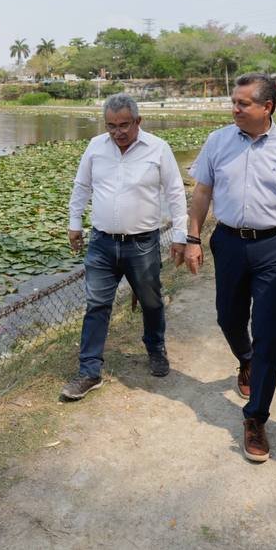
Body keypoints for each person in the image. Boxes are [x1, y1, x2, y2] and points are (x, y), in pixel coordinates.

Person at [184, 73, 276, 462]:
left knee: (269, 333)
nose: (235, 109)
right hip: (228, 242)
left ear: (268, 107)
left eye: (243, 104)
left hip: (275, 246)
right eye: (234, 102)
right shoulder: (218, 141)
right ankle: (246, 360)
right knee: (227, 318)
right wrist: (193, 238)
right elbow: (202, 192)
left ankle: (256, 417)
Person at [61, 94, 188, 401]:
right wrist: (75, 222)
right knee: (97, 305)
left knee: (151, 301)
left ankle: (155, 348)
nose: (118, 132)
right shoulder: (95, 147)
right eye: (111, 126)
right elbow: (82, 186)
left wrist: (182, 236)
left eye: (124, 125)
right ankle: (89, 370)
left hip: (142, 243)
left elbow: (174, 192)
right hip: (102, 243)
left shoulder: (158, 148)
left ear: (138, 122)